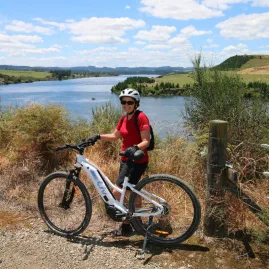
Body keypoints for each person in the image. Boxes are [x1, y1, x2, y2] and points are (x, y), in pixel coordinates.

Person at [88, 88, 151, 236]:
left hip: (137, 160)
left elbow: (146, 141)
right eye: (123, 102)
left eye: (130, 102)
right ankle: (135, 223)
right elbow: (115, 136)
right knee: (131, 190)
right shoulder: (123, 118)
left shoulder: (141, 117)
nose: (126, 105)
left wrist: (134, 148)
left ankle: (127, 224)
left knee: (118, 192)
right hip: (125, 160)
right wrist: (98, 136)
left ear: (136, 103)